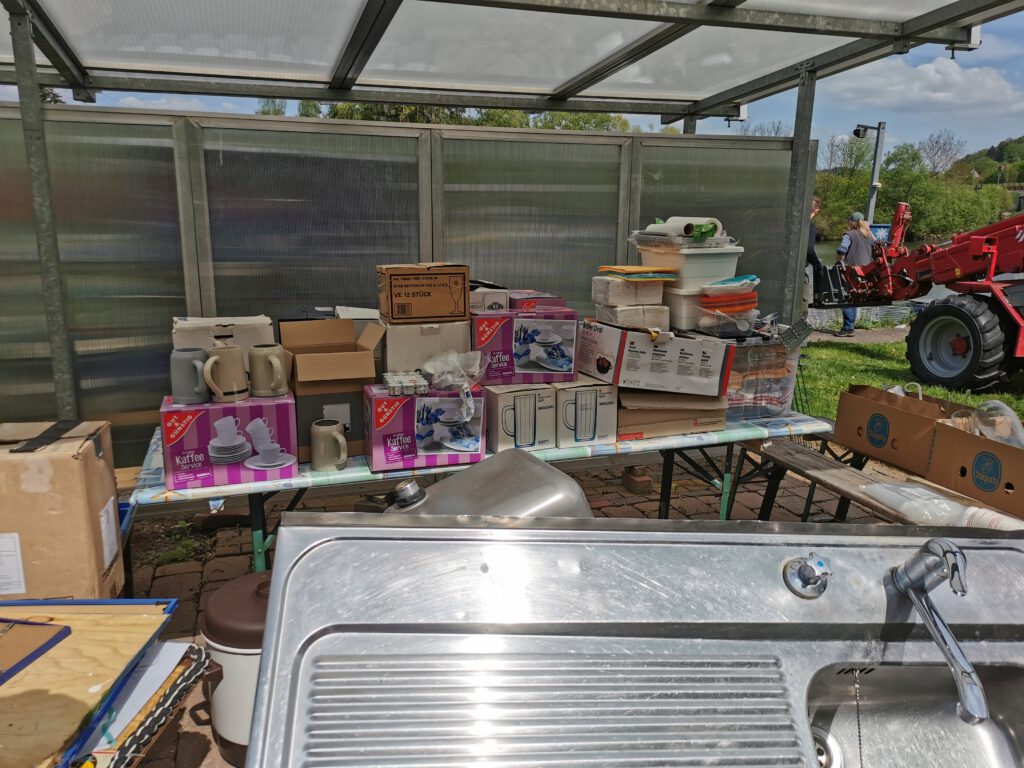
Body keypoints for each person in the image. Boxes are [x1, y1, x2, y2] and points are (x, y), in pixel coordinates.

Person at [835, 211, 875, 336]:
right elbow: (878, 248)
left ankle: (848, 328)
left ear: (852, 222)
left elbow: (842, 250)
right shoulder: (869, 235)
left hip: (851, 270)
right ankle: (850, 326)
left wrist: (838, 261)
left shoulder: (849, 234)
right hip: (866, 271)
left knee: (844, 297)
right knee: (855, 297)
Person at [804, 196, 822, 307]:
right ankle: (817, 297)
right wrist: (816, 263)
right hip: (799, 272)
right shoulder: (809, 226)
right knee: (802, 307)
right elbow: (808, 249)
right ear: (816, 211)